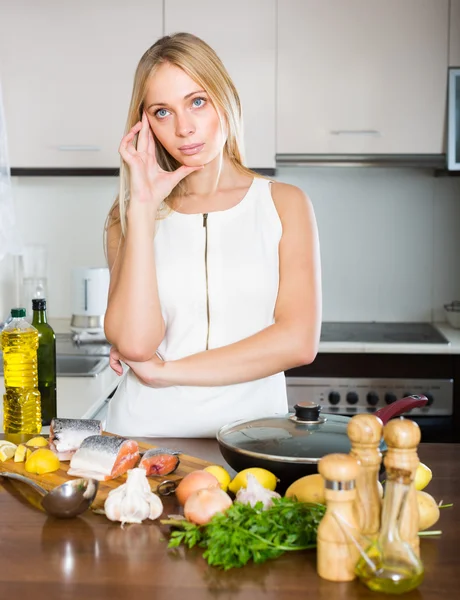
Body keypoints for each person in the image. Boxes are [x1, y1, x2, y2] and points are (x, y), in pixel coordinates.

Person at [103, 32, 322, 438]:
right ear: (145, 124)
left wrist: (167, 372)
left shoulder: (284, 204)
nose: (184, 128)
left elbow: (297, 341)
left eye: (197, 102)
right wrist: (144, 210)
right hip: (143, 436)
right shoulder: (128, 216)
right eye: (162, 112)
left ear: (226, 99)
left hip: (253, 440)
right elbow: (135, 344)